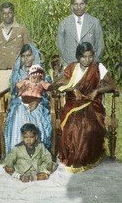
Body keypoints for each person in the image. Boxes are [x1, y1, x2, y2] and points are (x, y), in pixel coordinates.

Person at [53, 42, 115, 173]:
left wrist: (97, 91)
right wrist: (74, 89)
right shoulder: (71, 68)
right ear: (78, 57)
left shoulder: (98, 67)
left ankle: (87, 158)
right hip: (73, 103)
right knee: (72, 124)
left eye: (90, 56)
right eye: (84, 57)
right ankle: (72, 158)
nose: (87, 60)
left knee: (88, 124)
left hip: (92, 103)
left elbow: (111, 85)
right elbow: (58, 84)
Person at [5, 43, 52, 156]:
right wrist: (20, 92)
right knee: (19, 112)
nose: (26, 59)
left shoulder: (40, 72)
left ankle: (38, 153)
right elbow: (14, 93)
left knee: (36, 112)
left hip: (39, 102)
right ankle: (18, 153)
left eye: (29, 55)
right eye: (23, 56)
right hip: (20, 102)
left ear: (34, 56)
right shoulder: (17, 74)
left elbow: (47, 92)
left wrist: (37, 101)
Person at [57, 0, 104, 67]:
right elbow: (60, 45)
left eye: (82, 4)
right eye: (76, 4)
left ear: (86, 5)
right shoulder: (64, 23)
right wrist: (67, 63)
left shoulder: (95, 22)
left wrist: (94, 63)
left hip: (90, 66)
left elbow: (100, 45)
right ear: (72, 6)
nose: (79, 7)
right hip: (70, 65)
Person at [0, 1, 31, 92]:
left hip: (18, 71)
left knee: (19, 98)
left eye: (9, 13)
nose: (7, 15)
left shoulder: (22, 30)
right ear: (1, 15)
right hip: (1, 71)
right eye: (4, 13)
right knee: (3, 99)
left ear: (13, 13)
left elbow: (29, 50)